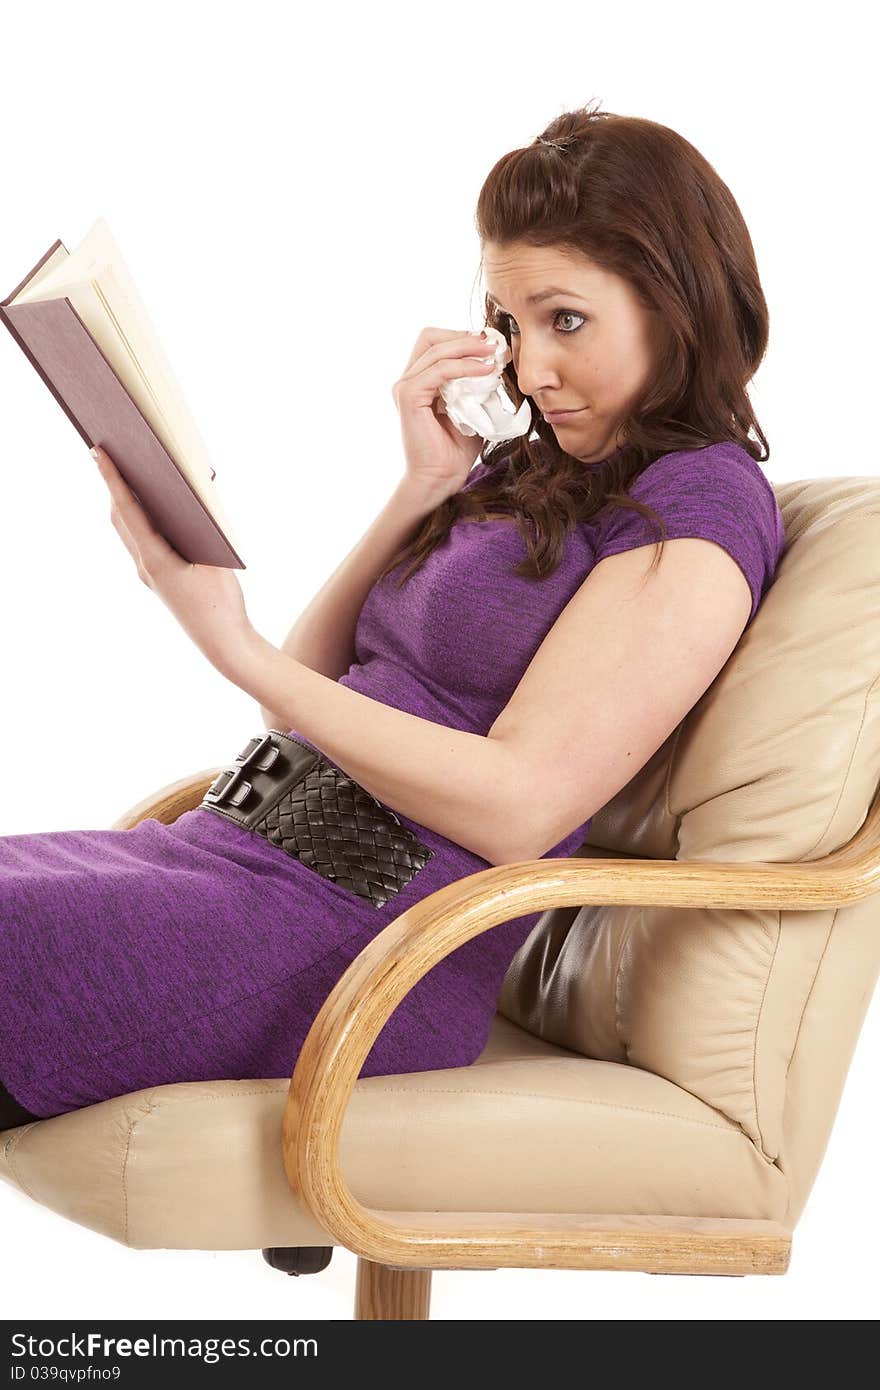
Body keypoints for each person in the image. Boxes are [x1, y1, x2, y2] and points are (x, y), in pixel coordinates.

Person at [0, 101, 785, 1127]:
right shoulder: (525, 469)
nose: (531, 368)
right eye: (508, 325)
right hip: (227, 851)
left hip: (356, 935)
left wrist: (228, 645)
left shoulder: (704, 501)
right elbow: (306, 698)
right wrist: (421, 488)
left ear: (674, 304)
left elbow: (522, 805)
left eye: (566, 319)